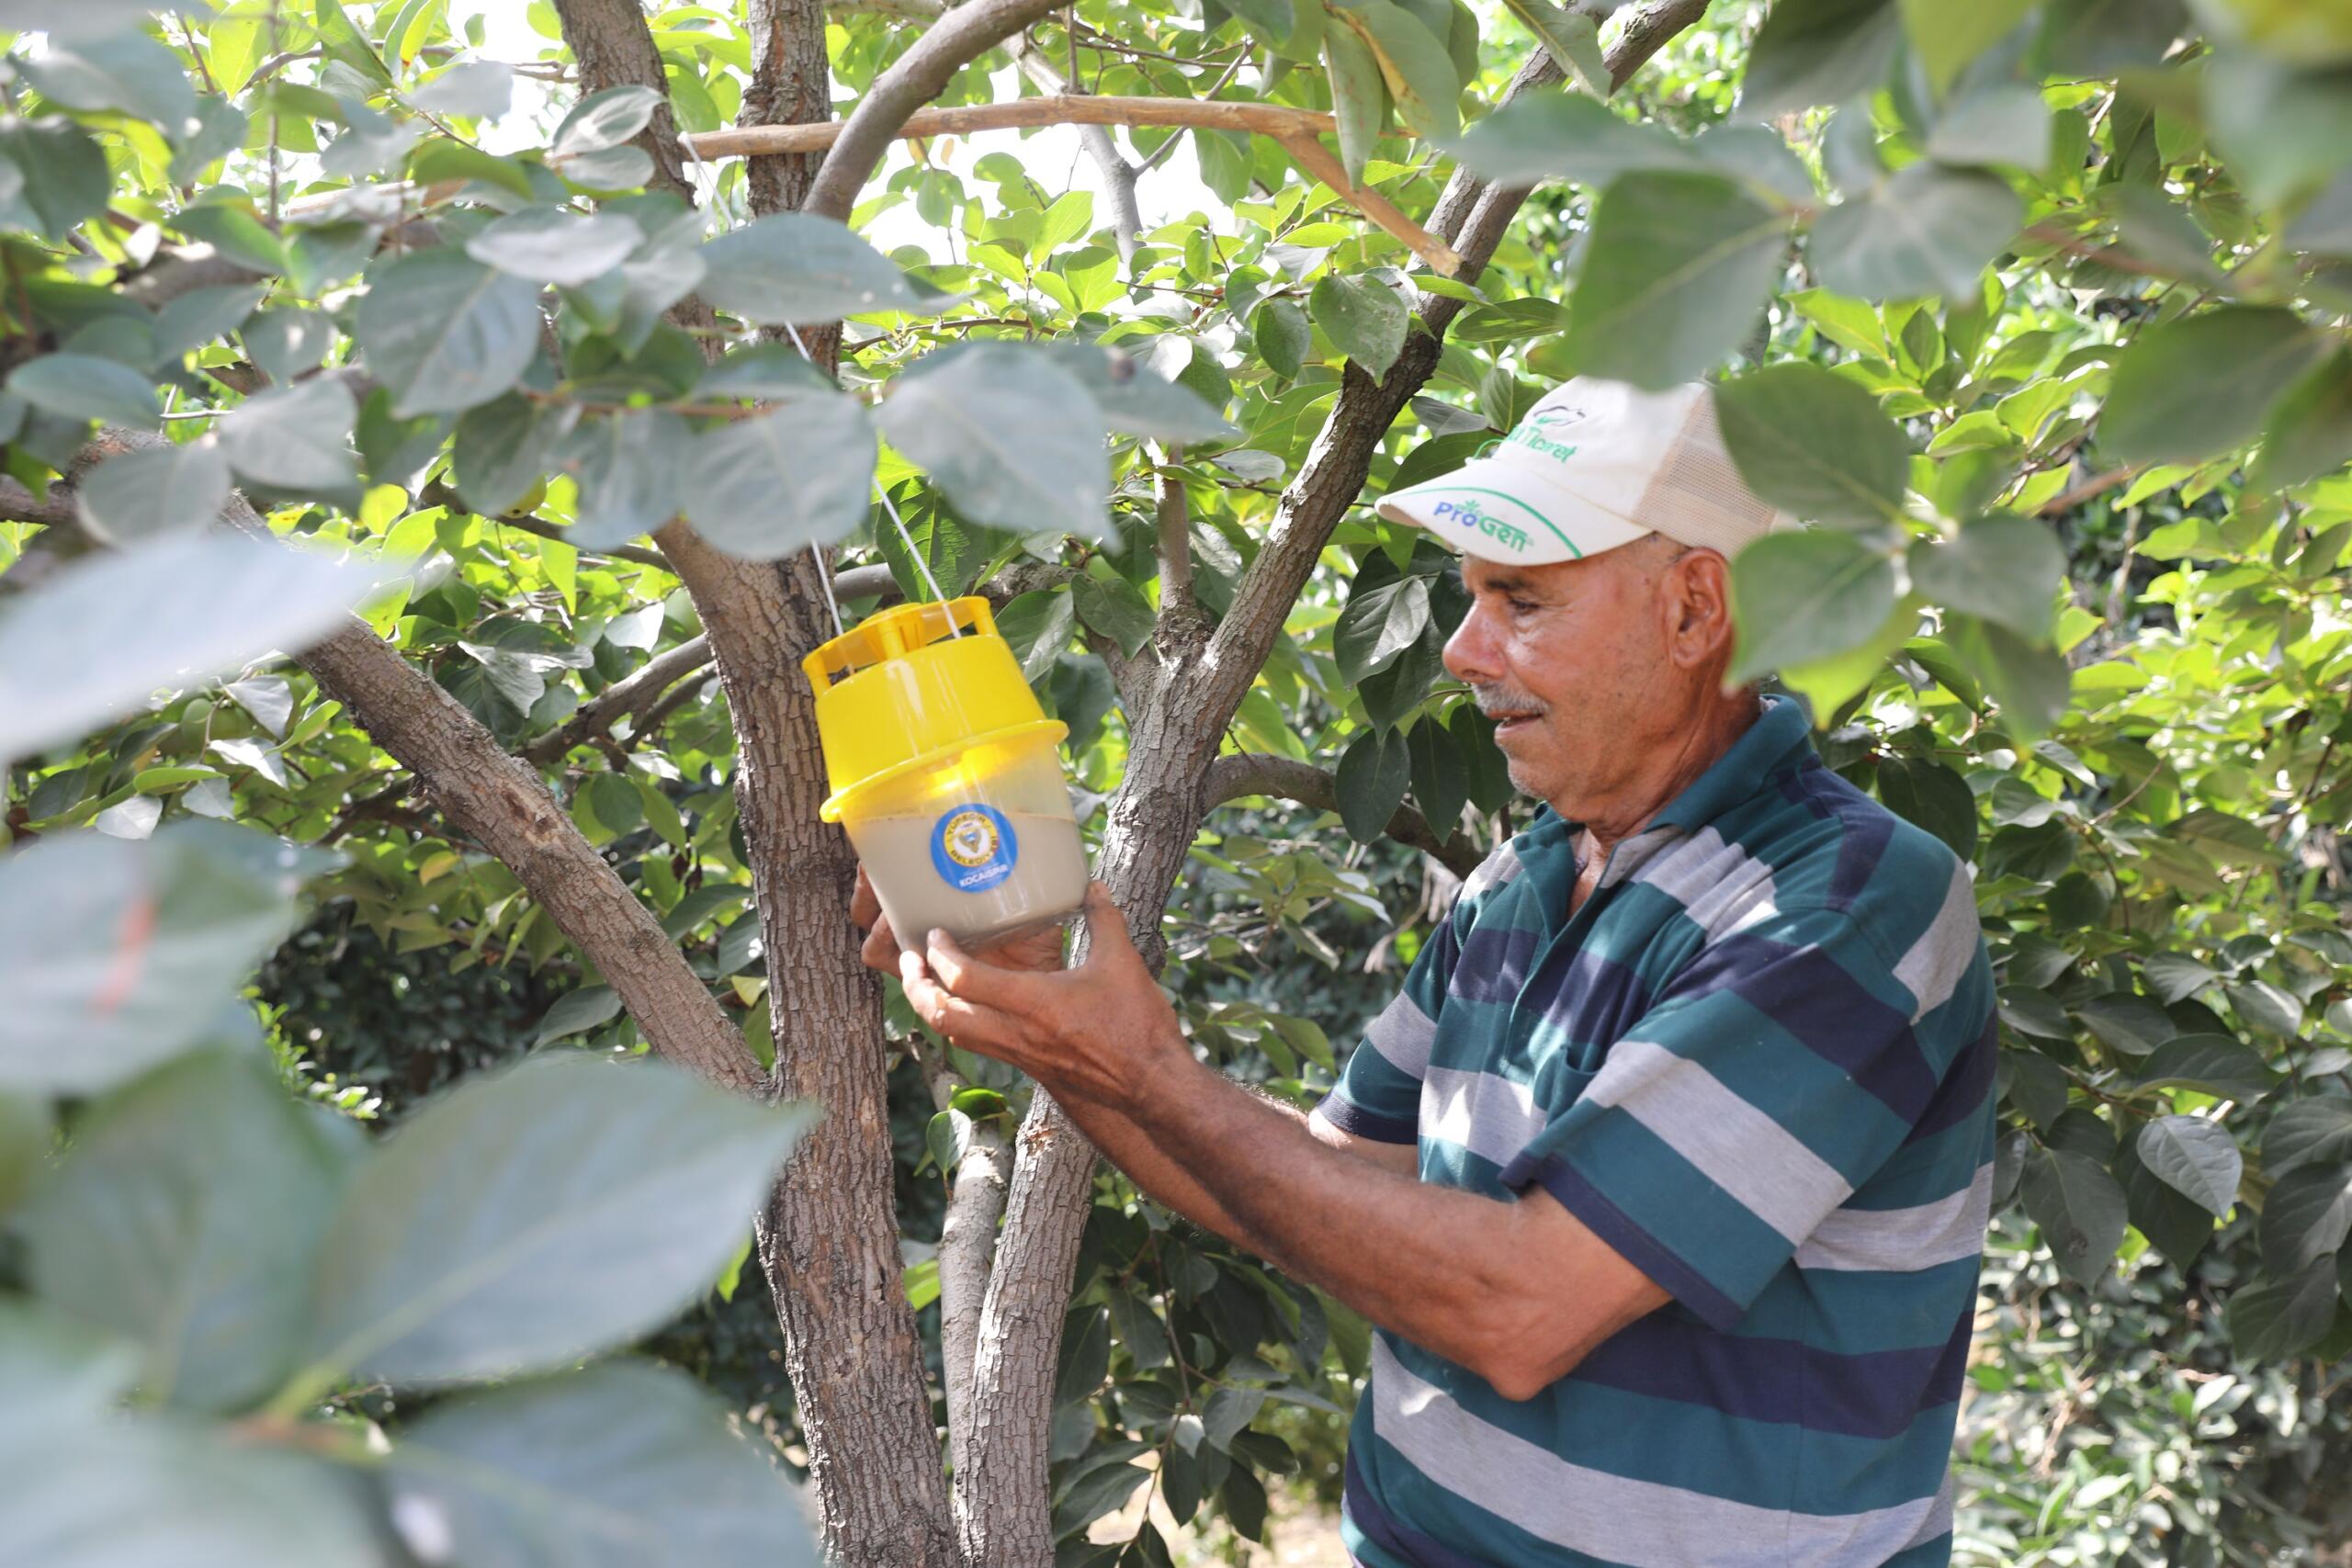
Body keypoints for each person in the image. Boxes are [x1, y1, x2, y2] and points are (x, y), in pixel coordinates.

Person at [855, 377, 1999, 1567]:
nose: (1460, 650)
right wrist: (1047, 1024)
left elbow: (1522, 1309)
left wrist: (1143, 1072)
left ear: (1695, 608)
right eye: (1469, 597)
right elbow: (1321, 1188)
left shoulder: (1848, 904)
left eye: (1521, 598)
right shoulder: (1527, 877)